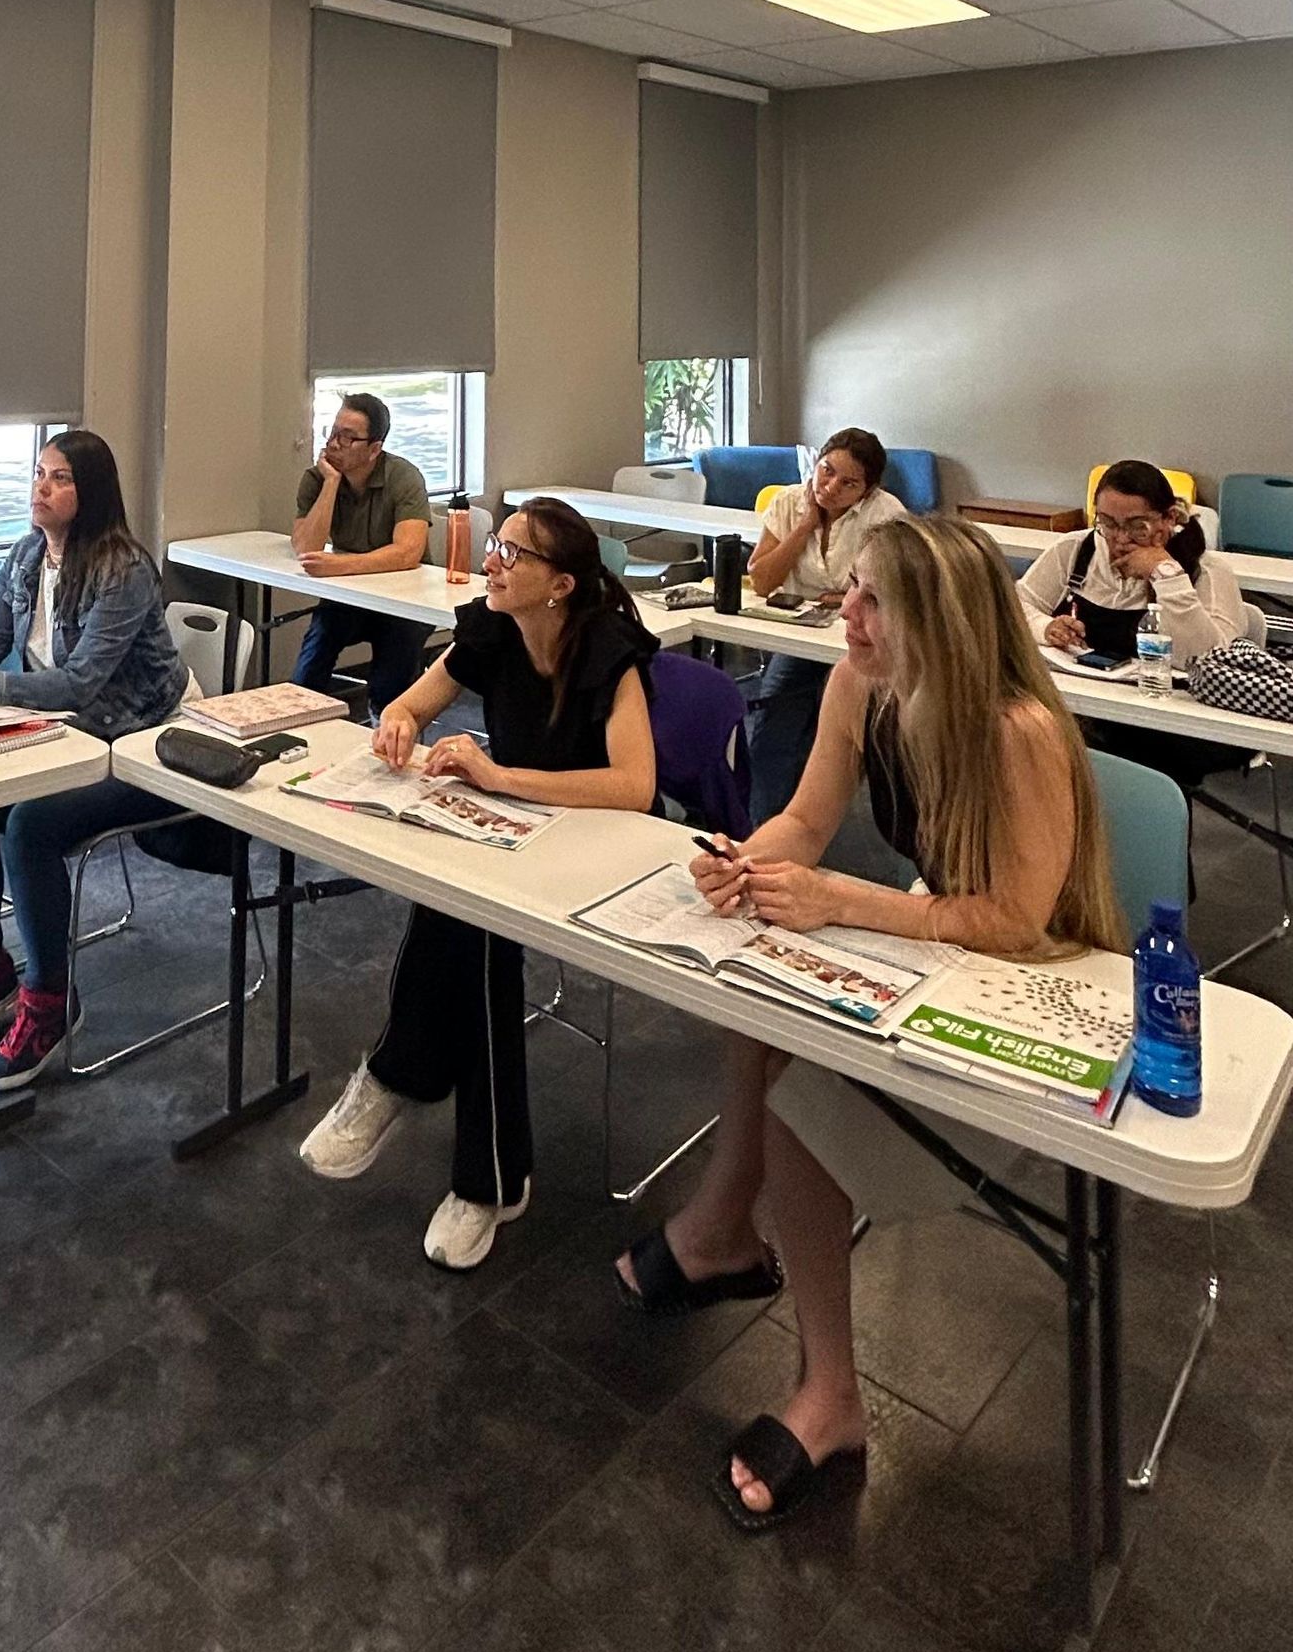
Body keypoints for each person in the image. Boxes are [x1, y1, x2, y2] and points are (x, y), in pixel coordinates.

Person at [615, 518, 1123, 1531]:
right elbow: (806, 818)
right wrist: (746, 861)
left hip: (1026, 989)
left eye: (869, 599)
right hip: (940, 951)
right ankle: (723, 1232)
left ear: (938, 622)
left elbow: (1014, 922)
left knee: (801, 1089)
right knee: (758, 1000)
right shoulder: (863, 683)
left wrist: (839, 899)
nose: (841, 613)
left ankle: (829, 1383)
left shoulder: (1019, 730)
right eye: (848, 591)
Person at [299, 496, 657, 1269]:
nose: (492, 560)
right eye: (498, 543)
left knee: (473, 924)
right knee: (466, 916)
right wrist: (395, 724)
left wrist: (498, 777)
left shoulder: (609, 651)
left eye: (512, 553)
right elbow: (411, 701)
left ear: (559, 583)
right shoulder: (491, 627)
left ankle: (398, 1076)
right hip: (518, 832)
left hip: (605, 846)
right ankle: (490, 1177)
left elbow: (634, 786)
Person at [0, 427, 191, 1093]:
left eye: (58, 477)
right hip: (66, 735)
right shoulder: (27, 554)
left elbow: (81, 683)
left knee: (30, 825)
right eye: (38, 473)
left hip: (137, 743)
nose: (41, 488)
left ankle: (50, 1000)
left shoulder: (124, 568)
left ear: (90, 494)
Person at [1017, 457, 1249, 796]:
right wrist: (1045, 626)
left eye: (1137, 526)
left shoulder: (1207, 572)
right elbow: (1015, 605)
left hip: (1177, 723)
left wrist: (1167, 575)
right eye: (1108, 524)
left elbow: (1208, 660)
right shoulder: (1075, 552)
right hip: (1100, 708)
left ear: (1169, 519)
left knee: (1109, 757)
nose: (1120, 539)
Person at [744, 429, 901, 814]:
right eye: (826, 471)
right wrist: (803, 528)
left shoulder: (888, 515)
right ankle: (762, 831)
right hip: (802, 638)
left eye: (848, 483)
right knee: (772, 733)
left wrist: (842, 597)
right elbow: (763, 579)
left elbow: (892, 592)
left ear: (868, 490)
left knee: (857, 741)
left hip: (863, 642)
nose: (830, 487)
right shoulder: (789, 502)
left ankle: (819, 821)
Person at [290, 392, 434, 719]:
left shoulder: (403, 477)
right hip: (351, 596)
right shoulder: (316, 478)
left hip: (405, 601)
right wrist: (330, 484)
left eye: (347, 436)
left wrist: (340, 565)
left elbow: (408, 552)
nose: (334, 443)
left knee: (388, 684)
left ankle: (384, 732)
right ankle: (299, 728)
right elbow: (306, 549)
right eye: (333, 431)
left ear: (374, 449)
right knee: (309, 667)